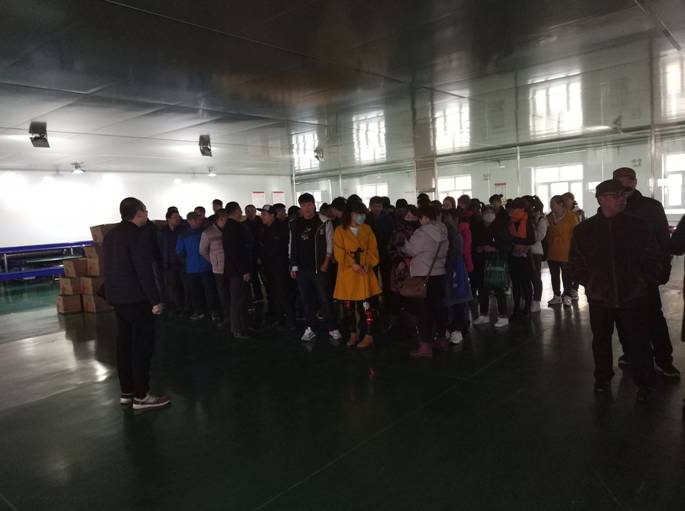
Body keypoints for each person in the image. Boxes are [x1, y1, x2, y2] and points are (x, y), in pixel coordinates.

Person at [569, 179, 663, 401]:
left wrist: (643, 281)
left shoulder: (639, 226)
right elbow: (575, 262)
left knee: (638, 341)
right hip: (600, 298)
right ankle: (602, 378)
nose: (622, 199)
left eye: (623, 195)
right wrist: (591, 283)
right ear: (601, 200)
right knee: (601, 340)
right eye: (616, 195)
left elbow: (653, 257)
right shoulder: (584, 230)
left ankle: (645, 383)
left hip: (633, 296)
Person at [103, 197, 170, 411]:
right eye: (146, 210)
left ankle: (127, 392)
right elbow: (144, 270)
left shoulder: (111, 235)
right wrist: (155, 300)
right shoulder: (137, 235)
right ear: (139, 213)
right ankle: (142, 396)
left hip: (119, 300)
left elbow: (107, 269)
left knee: (124, 346)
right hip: (137, 300)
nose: (147, 214)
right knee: (142, 347)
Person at [613, 167, 679, 379]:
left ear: (635, 182)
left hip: (645, 275)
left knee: (653, 318)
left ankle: (663, 359)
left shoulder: (651, 207)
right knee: (623, 318)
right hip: (620, 276)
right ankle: (631, 353)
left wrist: (663, 269)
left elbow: (664, 241)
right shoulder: (612, 207)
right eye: (620, 187)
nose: (624, 191)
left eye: (627, 185)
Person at [289, 193, 342, 343]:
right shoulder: (294, 223)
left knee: (324, 299)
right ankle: (310, 328)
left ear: (314, 205)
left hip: (319, 268)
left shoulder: (324, 221)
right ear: (300, 207)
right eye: (303, 205)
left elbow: (330, 243)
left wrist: (326, 262)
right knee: (306, 301)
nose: (307, 208)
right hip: (301, 269)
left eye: (309, 204)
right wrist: (293, 265)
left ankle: (332, 328)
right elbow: (292, 245)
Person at [333, 201, 382, 349]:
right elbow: (338, 252)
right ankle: (353, 333)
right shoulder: (340, 230)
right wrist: (352, 263)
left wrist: (368, 263)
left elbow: (373, 250)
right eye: (358, 214)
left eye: (363, 214)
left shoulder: (367, 229)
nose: (361, 217)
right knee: (348, 308)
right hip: (348, 274)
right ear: (350, 214)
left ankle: (368, 335)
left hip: (364, 274)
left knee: (367, 307)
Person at [402, 204, 449, 358]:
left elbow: (410, 250)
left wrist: (404, 242)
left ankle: (425, 346)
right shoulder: (443, 229)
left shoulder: (421, 232)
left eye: (419, 217)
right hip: (439, 273)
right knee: (438, 308)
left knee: (424, 312)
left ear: (425, 217)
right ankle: (441, 339)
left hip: (423, 275)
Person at [472, 205, 511, 327]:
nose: (488, 214)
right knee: (482, 288)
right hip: (481, 261)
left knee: (499, 288)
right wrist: (478, 248)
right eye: (486, 212)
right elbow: (473, 242)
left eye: (491, 212)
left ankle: (503, 315)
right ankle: (483, 314)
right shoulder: (478, 227)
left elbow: (507, 245)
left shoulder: (499, 227)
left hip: (496, 261)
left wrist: (494, 248)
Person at [257, 204, 295, 330]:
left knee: (283, 293)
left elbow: (277, 249)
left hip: (280, 267)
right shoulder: (264, 228)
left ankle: (291, 321)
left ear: (272, 215)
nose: (262, 216)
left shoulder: (281, 228)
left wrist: (264, 257)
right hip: (269, 267)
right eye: (261, 214)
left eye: (264, 214)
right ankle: (279, 319)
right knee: (274, 294)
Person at [176, 212, 217, 321]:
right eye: (197, 220)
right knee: (195, 292)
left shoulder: (205, 232)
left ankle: (213, 311)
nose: (200, 221)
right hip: (193, 268)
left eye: (200, 220)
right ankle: (199, 311)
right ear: (190, 221)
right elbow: (179, 251)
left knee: (209, 291)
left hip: (205, 267)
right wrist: (186, 262)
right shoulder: (183, 234)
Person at [222, 202, 252, 340]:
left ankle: (244, 326)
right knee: (237, 301)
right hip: (237, 271)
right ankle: (237, 329)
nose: (241, 212)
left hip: (236, 269)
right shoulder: (233, 227)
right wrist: (243, 270)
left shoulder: (230, 226)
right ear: (235, 211)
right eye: (240, 210)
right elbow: (235, 252)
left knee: (242, 299)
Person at [546, 195, 579, 307]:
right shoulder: (549, 217)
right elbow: (547, 233)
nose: (551, 207)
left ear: (561, 204)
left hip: (566, 251)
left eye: (553, 204)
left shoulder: (571, 216)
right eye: (550, 205)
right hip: (552, 251)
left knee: (566, 275)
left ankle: (567, 296)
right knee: (554, 275)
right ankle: (557, 296)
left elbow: (576, 233)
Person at [199, 209, 229, 326]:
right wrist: (213, 261)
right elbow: (202, 251)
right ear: (221, 219)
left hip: (231, 266)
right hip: (218, 268)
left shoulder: (229, 230)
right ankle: (225, 316)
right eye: (226, 218)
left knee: (231, 292)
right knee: (222, 293)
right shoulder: (208, 232)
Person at [508, 198, 535, 319]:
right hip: (513, 256)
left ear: (523, 209)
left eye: (516, 208)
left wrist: (524, 247)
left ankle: (527, 308)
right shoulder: (510, 221)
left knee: (525, 283)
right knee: (516, 284)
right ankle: (516, 308)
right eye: (513, 209)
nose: (514, 211)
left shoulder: (528, 221)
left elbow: (532, 239)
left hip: (525, 257)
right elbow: (507, 237)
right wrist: (513, 245)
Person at [158, 209, 186, 316]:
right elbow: (160, 247)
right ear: (168, 219)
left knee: (185, 286)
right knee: (173, 287)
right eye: (175, 217)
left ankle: (187, 307)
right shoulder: (163, 231)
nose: (178, 219)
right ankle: (178, 307)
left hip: (182, 263)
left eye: (178, 217)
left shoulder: (183, 229)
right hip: (169, 264)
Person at [527, 196, 548, 312]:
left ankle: (536, 301)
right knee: (527, 278)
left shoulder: (540, 219)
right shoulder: (526, 218)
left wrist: (529, 233)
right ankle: (528, 299)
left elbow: (540, 235)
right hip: (524, 252)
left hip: (535, 252)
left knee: (536, 278)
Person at [244, 204, 264, 304]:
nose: (250, 213)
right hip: (250, 254)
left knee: (265, 276)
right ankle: (258, 296)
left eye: (252, 210)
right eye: (247, 211)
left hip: (262, 253)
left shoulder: (262, 222)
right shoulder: (243, 225)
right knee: (254, 277)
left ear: (255, 211)